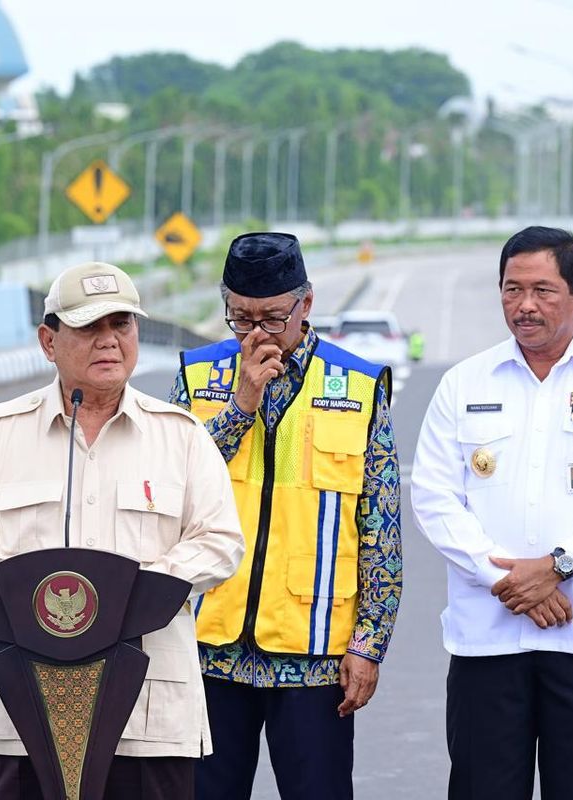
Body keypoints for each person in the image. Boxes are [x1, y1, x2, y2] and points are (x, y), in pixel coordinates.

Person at [0, 261, 244, 800]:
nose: (109, 341)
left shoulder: (181, 438)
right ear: (49, 341)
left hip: (148, 714)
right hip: (27, 703)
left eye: (122, 324)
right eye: (90, 327)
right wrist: (18, 599)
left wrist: (131, 596)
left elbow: (219, 541)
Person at [411, 226, 573, 800]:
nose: (525, 306)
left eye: (543, 290)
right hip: (488, 641)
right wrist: (506, 578)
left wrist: (559, 566)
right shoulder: (463, 383)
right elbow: (433, 496)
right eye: (512, 289)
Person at [170, 232, 402, 799]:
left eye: (273, 319)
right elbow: (171, 489)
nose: (256, 334)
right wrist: (241, 404)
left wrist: (369, 644)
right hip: (209, 648)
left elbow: (382, 531)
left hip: (315, 654)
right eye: (241, 317)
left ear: (307, 304)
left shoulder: (359, 386)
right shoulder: (198, 379)